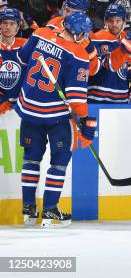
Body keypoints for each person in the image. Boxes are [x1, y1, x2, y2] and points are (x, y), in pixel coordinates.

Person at [17, 11, 97, 227]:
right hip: (55, 115)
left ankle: (29, 208)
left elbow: (22, 58)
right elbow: (76, 98)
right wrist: (86, 124)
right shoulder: (79, 54)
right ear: (80, 34)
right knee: (59, 161)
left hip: (29, 108)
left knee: (31, 159)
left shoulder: (40, 33)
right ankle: (50, 210)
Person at [88, 2, 131, 103]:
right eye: (110, 20)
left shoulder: (126, 38)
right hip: (98, 98)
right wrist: (126, 47)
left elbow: (122, 67)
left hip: (121, 99)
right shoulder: (97, 38)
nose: (114, 24)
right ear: (105, 21)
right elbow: (107, 65)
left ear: (124, 22)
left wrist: (130, 74)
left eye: (118, 21)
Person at [0, 8, 28, 115]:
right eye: (5, 23)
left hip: (21, 102)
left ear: (18, 26)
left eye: (12, 24)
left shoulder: (26, 45)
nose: (8, 27)